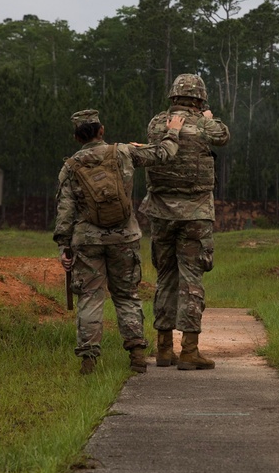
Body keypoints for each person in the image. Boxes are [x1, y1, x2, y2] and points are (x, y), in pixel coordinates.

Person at [54, 108, 183, 375]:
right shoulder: (123, 152)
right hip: (125, 237)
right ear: (101, 130)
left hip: (87, 241)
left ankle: (88, 360)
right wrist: (173, 130)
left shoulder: (70, 167)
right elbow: (163, 154)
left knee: (90, 298)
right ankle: (137, 355)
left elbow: (65, 212)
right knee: (126, 296)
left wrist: (64, 246)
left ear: (77, 138)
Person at [141, 74, 230, 370]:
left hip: (161, 213)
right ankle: (190, 351)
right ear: (200, 98)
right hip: (195, 214)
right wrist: (208, 117)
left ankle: (164, 349)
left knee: (165, 277)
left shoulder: (157, 123)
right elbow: (223, 136)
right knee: (191, 280)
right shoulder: (205, 124)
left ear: (173, 96)